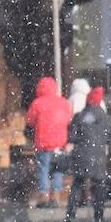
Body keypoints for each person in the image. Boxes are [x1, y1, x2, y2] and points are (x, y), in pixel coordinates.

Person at [64, 86, 111, 222]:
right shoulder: (106, 118)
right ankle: (99, 216)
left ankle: (70, 216)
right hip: (98, 156)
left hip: (81, 155)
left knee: (77, 184)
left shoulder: (80, 116)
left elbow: (72, 136)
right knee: (99, 186)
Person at [24, 76, 72, 208]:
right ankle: (56, 197)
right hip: (60, 144)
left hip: (44, 143)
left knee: (43, 170)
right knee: (57, 171)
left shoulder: (37, 103)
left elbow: (29, 121)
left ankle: (44, 197)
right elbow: (68, 119)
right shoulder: (63, 103)